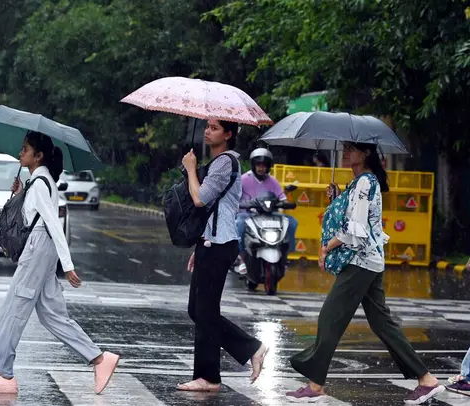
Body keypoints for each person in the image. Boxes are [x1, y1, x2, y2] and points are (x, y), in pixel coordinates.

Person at [285, 142, 444, 404]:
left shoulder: (365, 183)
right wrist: (337, 200)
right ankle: (426, 380)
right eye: (344, 149)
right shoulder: (359, 183)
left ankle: (314, 386)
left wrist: (326, 247)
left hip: (360, 262)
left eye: (350, 149)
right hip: (370, 260)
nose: (345, 154)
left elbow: (356, 230)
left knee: (329, 318)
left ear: (366, 153)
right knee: (382, 323)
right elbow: (355, 219)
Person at [0, 131, 119, 395]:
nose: (21, 153)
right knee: (52, 316)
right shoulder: (39, 181)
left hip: (40, 247)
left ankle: (4, 375)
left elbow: (53, 223)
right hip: (44, 247)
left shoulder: (41, 183)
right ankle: (99, 359)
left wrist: (68, 264)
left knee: (14, 307)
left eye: (25, 149)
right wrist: (19, 193)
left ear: (38, 155)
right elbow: (34, 215)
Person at [177, 119, 267, 392]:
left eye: (214, 127)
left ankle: (213, 374)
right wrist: (199, 244)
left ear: (228, 134)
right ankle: (224, 366)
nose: (207, 130)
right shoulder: (221, 162)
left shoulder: (225, 162)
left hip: (219, 244)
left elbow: (200, 199)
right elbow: (210, 210)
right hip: (211, 242)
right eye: (206, 126)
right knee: (199, 310)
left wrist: (191, 169)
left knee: (204, 311)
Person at [235, 148, 298, 274]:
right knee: (239, 224)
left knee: (291, 222)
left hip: (269, 214)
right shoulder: (244, 179)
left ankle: (285, 256)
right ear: (253, 165)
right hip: (248, 214)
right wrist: (239, 205)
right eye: (258, 164)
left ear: (268, 166)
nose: (261, 168)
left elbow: (282, 198)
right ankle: (241, 259)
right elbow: (235, 198)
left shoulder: (273, 181)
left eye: (264, 165)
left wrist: (285, 204)